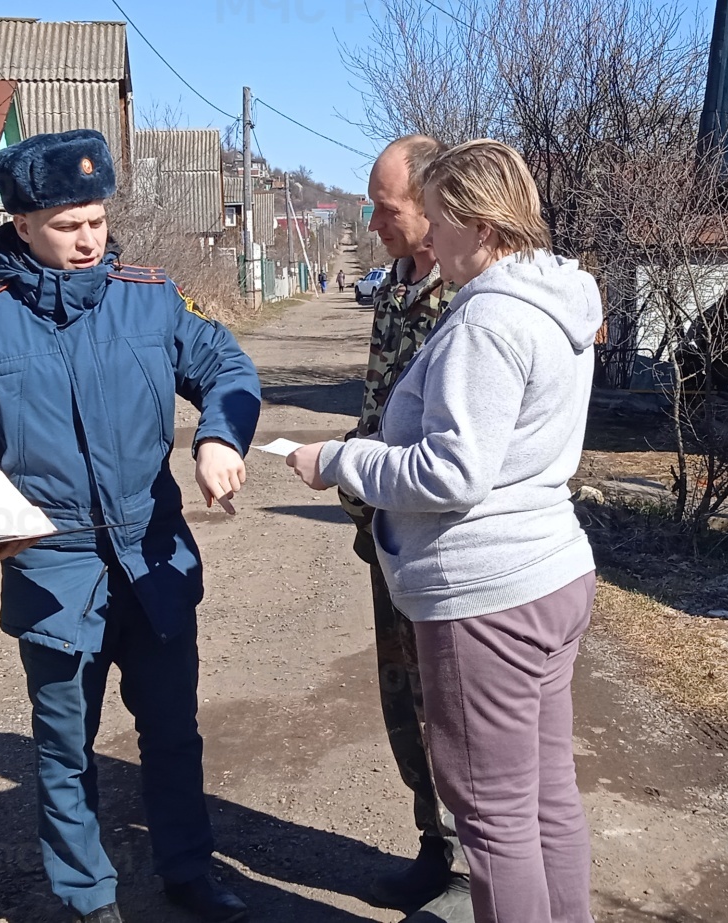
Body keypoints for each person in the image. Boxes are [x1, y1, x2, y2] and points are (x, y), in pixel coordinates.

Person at [0, 128, 261, 923]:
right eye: (69, 226)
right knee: (65, 745)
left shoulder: (148, 295)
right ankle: (86, 895)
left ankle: (189, 873)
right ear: (23, 223)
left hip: (154, 556)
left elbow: (226, 368)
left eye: (97, 220)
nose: (89, 239)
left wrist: (216, 436)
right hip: (53, 564)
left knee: (173, 732)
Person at [288, 138, 599, 923]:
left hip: (487, 592)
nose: (430, 230)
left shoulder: (488, 319)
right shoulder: (556, 297)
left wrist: (342, 460)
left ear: (473, 221)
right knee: (546, 794)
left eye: (438, 215)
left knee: (493, 821)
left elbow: (453, 473)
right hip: (550, 568)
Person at [325, 135, 474, 922]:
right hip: (383, 532)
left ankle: (468, 874)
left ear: (433, 205)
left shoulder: (470, 294)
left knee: (452, 707)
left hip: (441, 542)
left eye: (388, 209)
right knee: (402, 703)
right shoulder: (396, 285)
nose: (376, 221)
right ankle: (433, 848)